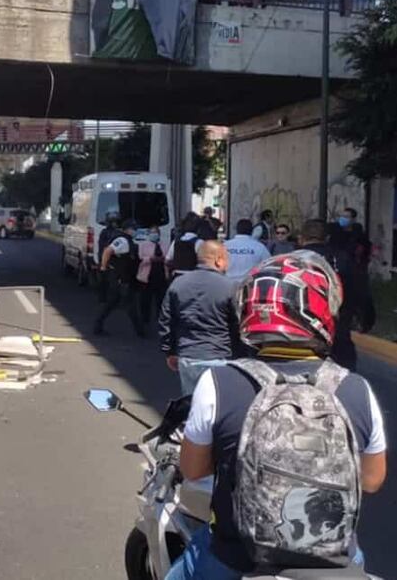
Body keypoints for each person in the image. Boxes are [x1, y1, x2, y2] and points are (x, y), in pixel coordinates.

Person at [167, 252, 386, 580]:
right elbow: (370, 480)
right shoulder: (357, 390)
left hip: (236, 557)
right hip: (336, 561)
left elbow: (193, 468)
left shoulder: (220, 383)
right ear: (322, 313)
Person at [159, 241, 239, 395]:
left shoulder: (178, 283)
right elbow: (237, 323)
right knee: (217, 406)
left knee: (191, 404)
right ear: (218, 259)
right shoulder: (230, 287)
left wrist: (169, 351)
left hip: (188, 356)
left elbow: (166, 320)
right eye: (227, 260)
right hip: (219, 355)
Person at [299, 219, 374, 371]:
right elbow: (360, 290)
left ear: (301, 239)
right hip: (337, 329)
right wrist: (366, 320)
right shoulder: (343, 259)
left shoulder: (289, 260)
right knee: (344, 376)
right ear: (326, 238)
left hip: (298, 330)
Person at [94, 220, 144, 337]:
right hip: (118, 277)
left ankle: (98, 325)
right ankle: (140, 331)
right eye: (134, 229)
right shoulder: (122, 240)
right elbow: (107, 251)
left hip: (123, 277)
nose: (135, 231)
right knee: (129, 303)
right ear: (127, 229)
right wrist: (103, 267)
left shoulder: (128, 240)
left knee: (114, 302)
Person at [136, 223, 167, 324]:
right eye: (153, 232)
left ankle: (160, 319)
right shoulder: (143, 244)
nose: (155, 234)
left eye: (156, 232)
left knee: (161, 300)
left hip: (160, 275)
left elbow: (168, 258)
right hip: (147, 275)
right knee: (145, 300)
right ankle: (145, 320)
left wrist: (163, 260)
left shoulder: (164, 244)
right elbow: (140, 258)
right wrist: (150, 259)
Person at [96, 210, 122, 303]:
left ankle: (105, 298)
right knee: (106, 280)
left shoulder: (116, 232)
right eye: (114, 222)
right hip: (108, 259)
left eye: (116, 222)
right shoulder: (107, 233)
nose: (115, 224)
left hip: (110, 259)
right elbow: (104, 247)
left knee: (107, 281)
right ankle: (105, 298)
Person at [167, 214, 202, 280]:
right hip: (193, 277)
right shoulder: (199, 243)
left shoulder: (176, 241)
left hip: (177, 276)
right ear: (199, 228)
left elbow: (167, 260)